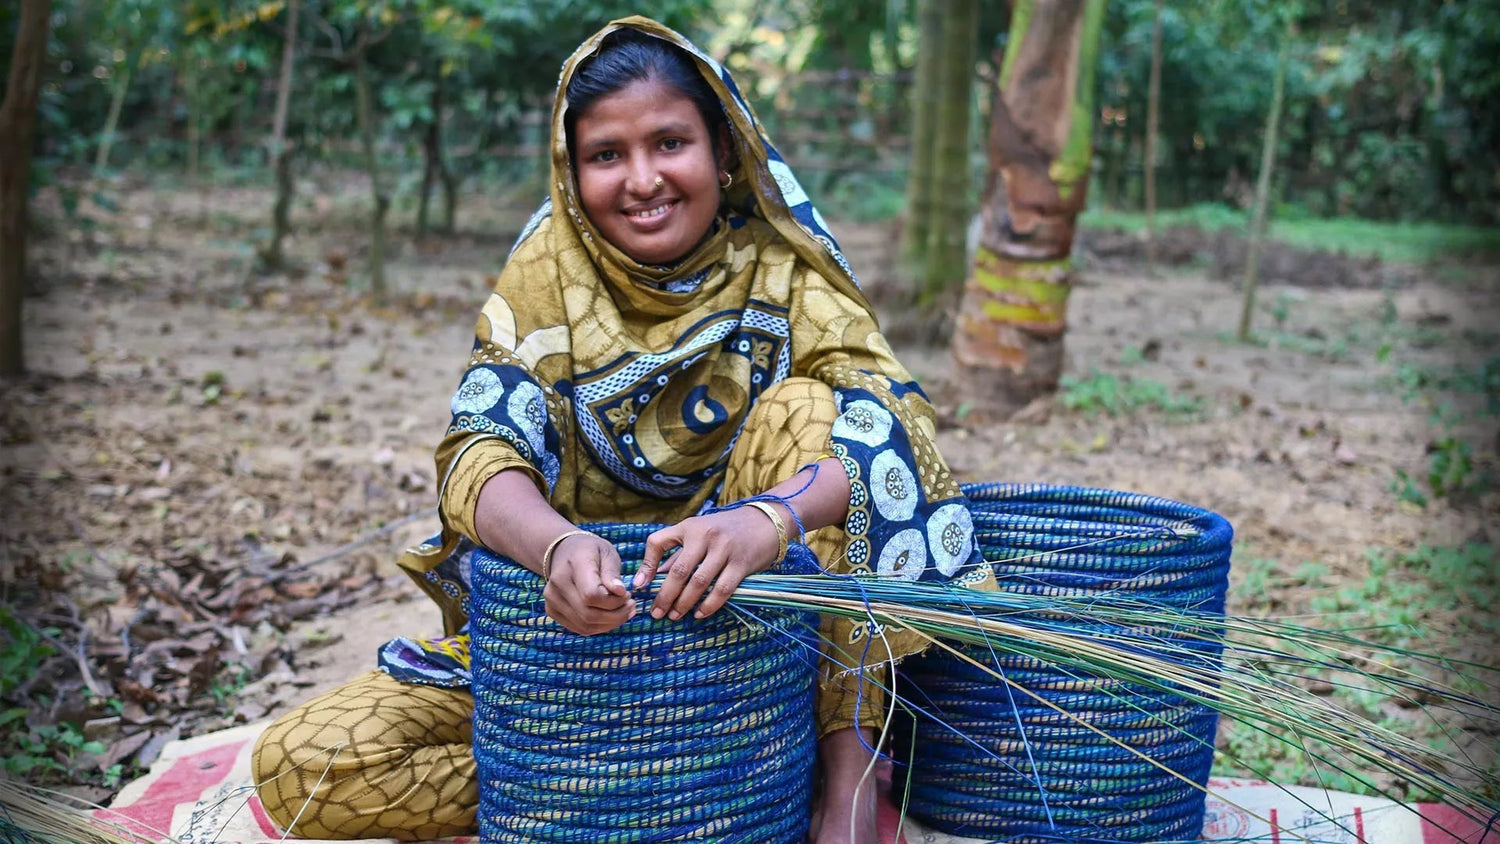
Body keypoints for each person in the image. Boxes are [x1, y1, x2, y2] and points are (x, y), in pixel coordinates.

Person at [251, 16, 995, 844]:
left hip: (755, 646)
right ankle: (653, 770)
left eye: (669, 143)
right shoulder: (549, 271)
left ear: (722, 149)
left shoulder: (780, 266)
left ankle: (844, 780)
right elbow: (479, 451)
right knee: (304, 769)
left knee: (819, 415)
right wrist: (557, 550)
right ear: (572, 172)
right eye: (607, 155)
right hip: (572, 654)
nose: (643, 180)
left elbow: (899, 428)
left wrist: (764, 522)